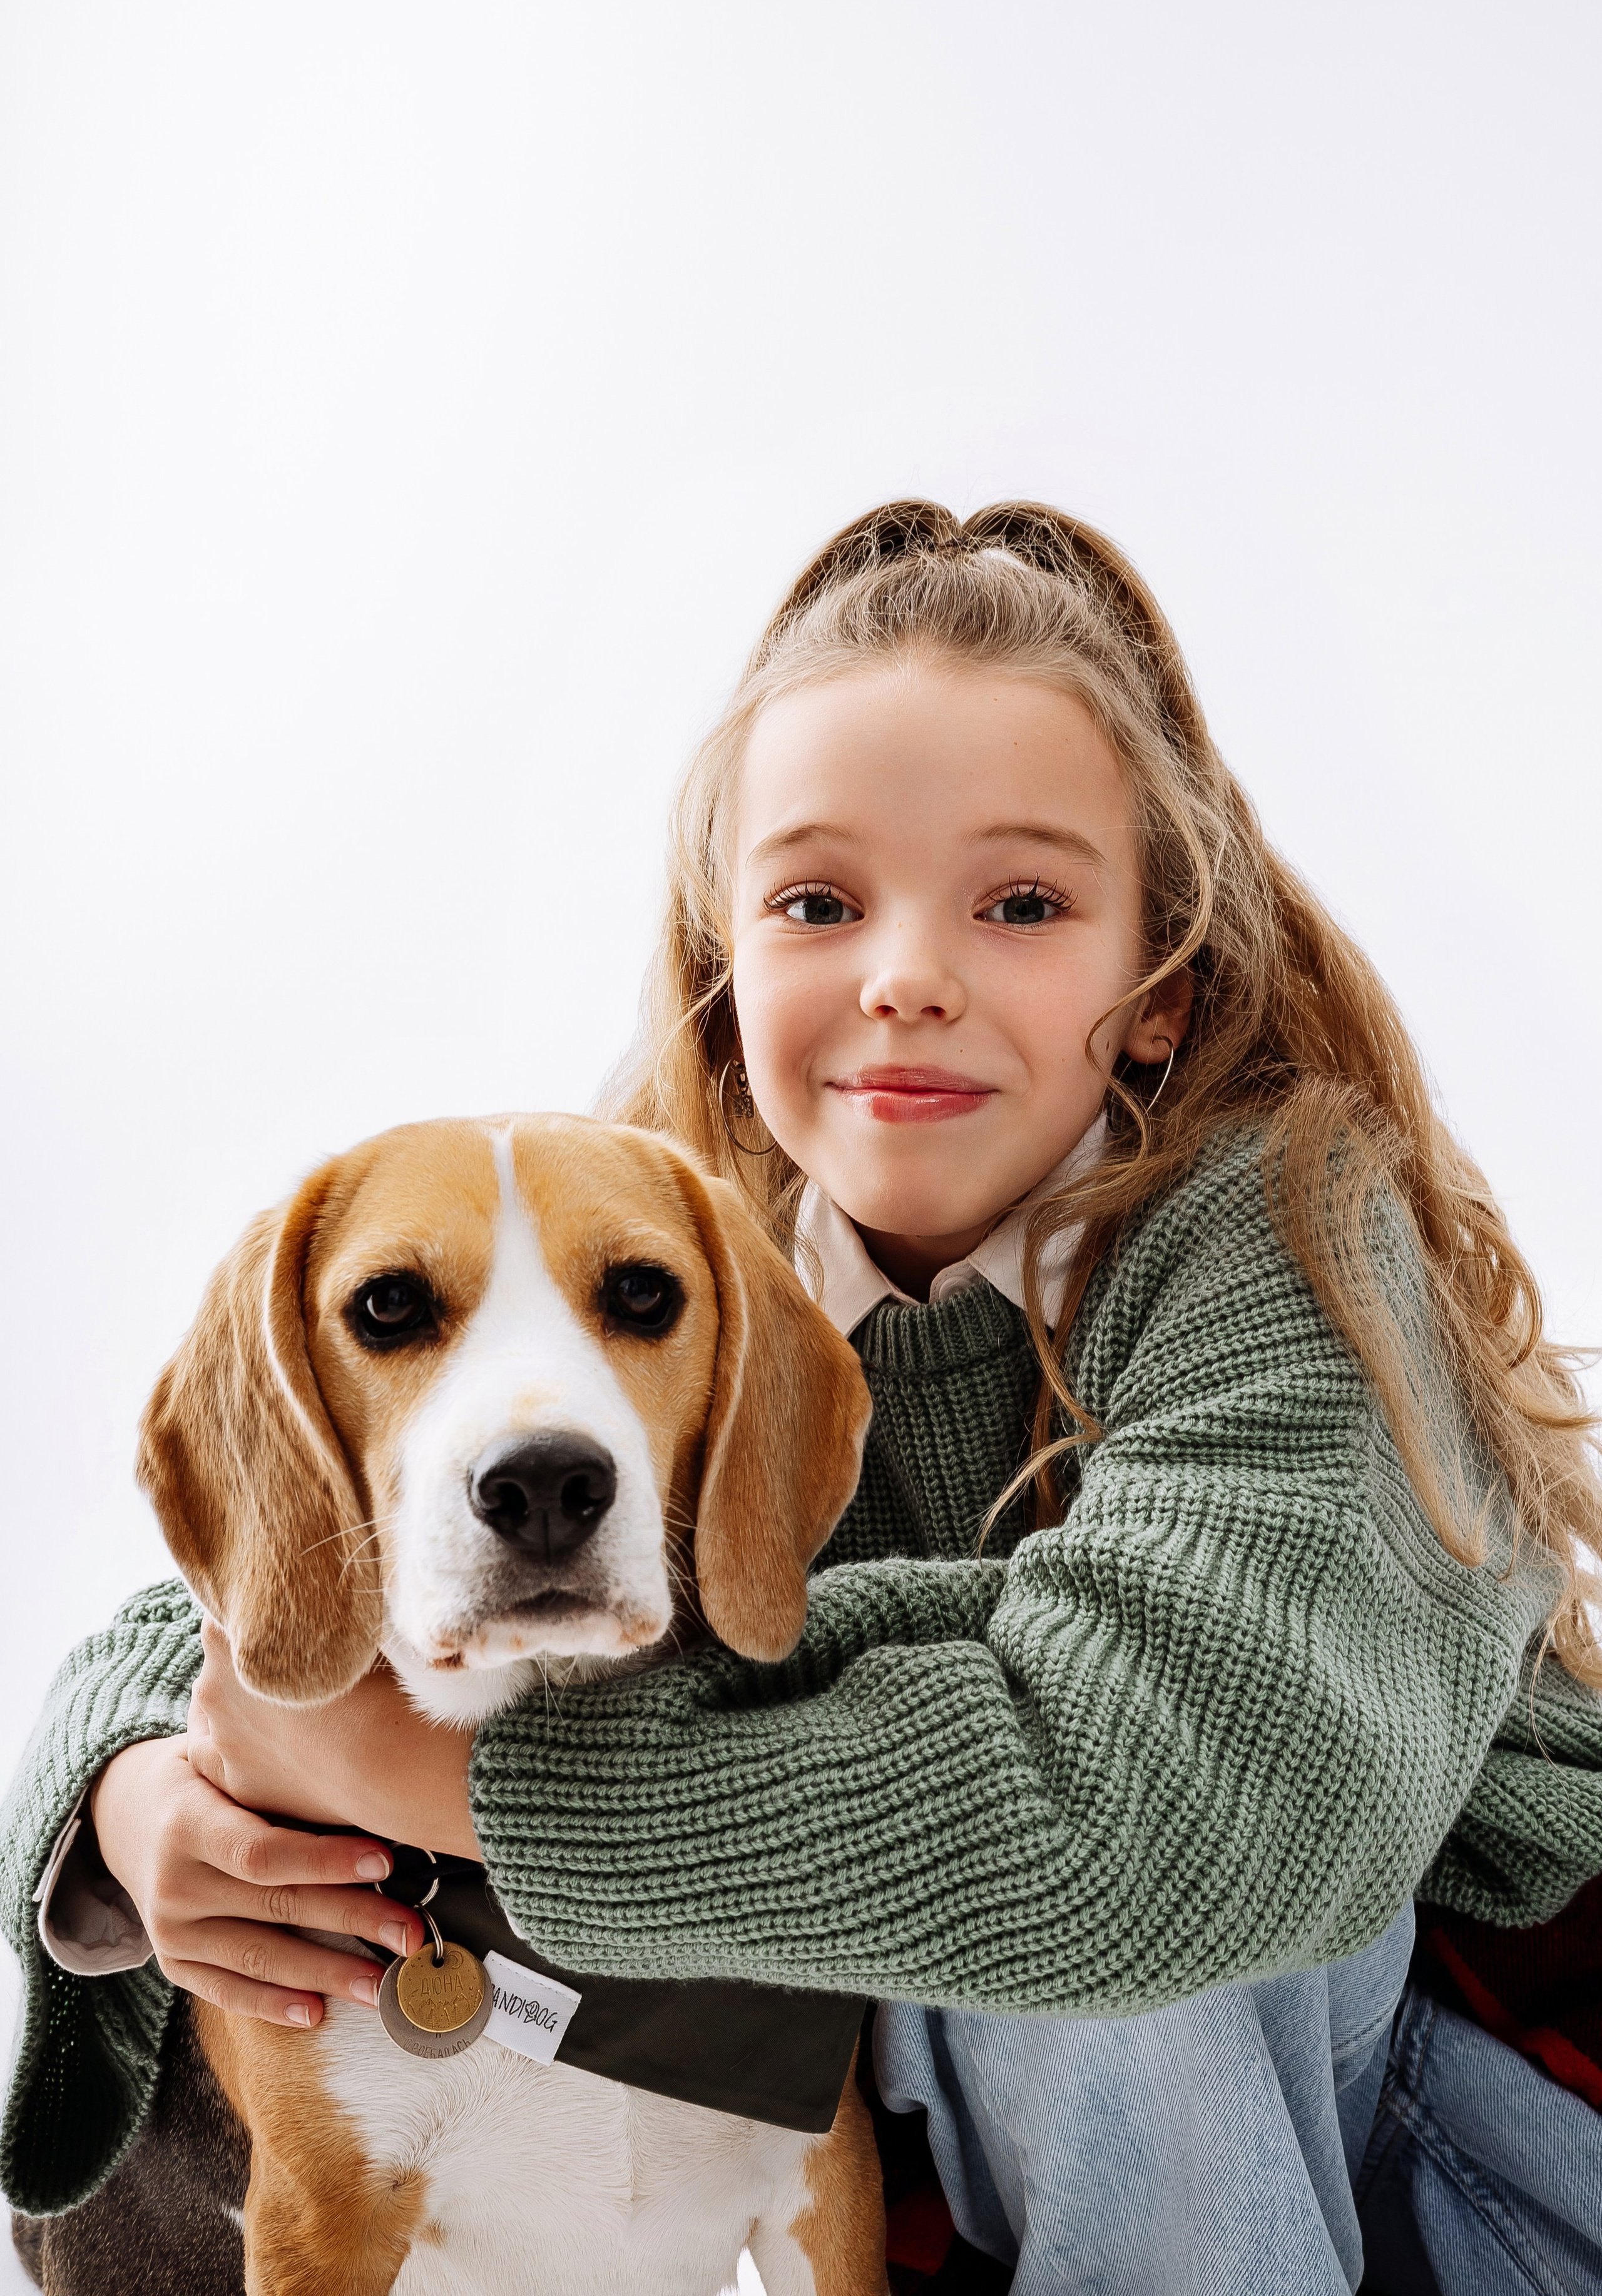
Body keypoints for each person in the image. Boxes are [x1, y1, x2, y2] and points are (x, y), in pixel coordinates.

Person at [5, 502, 1601, 2293]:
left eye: (1019, 902)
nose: (906, 972)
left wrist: (461, 1792)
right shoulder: (683, 1256)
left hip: (1451, 2151)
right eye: (821, 902)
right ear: (727, 971)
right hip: (999, 2174)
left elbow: (1157, 1818)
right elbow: (276, 1553)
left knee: (1070, 1893)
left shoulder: (1291, 1247)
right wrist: (138, 1793)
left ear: (1165, 991)